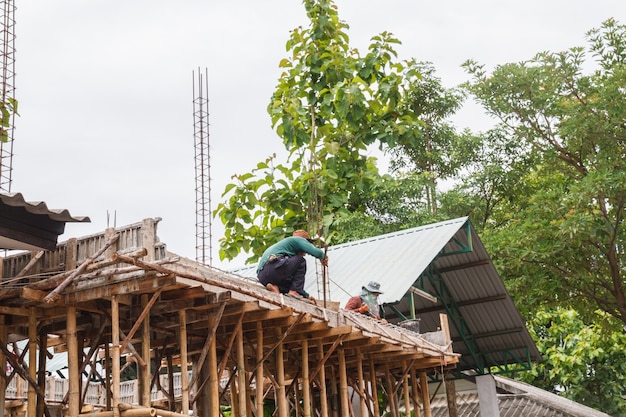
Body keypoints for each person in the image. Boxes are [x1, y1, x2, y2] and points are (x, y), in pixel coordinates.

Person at [256, 230, 328, 301]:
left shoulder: (286, 250)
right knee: (301, 261)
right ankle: (293, 292)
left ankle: (274, 287)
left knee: (289, 285)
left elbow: (295, 283)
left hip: (263, 276)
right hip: (274, 267)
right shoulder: (298, 240)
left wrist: (306, 296)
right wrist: (323, 256)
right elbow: (316, 252)